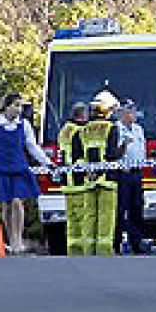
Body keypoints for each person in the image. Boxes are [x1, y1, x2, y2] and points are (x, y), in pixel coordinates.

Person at [0, 93, 53, 255]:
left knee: (17, 202)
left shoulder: (24, 125)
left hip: (18, 167)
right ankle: (9, 239)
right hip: (1, 167)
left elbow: (32, 146)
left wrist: (47, 162)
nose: (19, 109)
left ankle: (17, 239)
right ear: (7, 106)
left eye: (20, 106)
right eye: (16, 105)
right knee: (6, 204)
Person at [57, 93, 124, 255]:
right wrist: (123, 149)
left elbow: (78, 156)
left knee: (89, 217)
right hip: (107, 179)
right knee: (106, 216)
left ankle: (87, 250)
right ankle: (104, 250)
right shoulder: (111, 128)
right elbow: (111, 154)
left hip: (87, 180)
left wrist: (90, 172)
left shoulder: (82, 130)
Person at [56, 102, 92, 256]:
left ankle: (73, 248)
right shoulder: (80, 131)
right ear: (81, 115)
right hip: (78, 180)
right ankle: (84, 249)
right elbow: (80, 155)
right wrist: (89, 171)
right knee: (84, 217)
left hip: (66, 181)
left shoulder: (64, 130)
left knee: (71, 219)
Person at [115, 101, 147, 254]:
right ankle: (117, 243)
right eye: (129, 111)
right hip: (123, 174)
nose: (132, 114)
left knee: (137, 209)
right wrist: (124, 145)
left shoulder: (138, 129)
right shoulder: (115, 129)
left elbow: (142, 150)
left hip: (136, 174)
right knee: (120, 210)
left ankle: (137, 242)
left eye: (133, 111)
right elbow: (115, 154)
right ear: (121, 113)